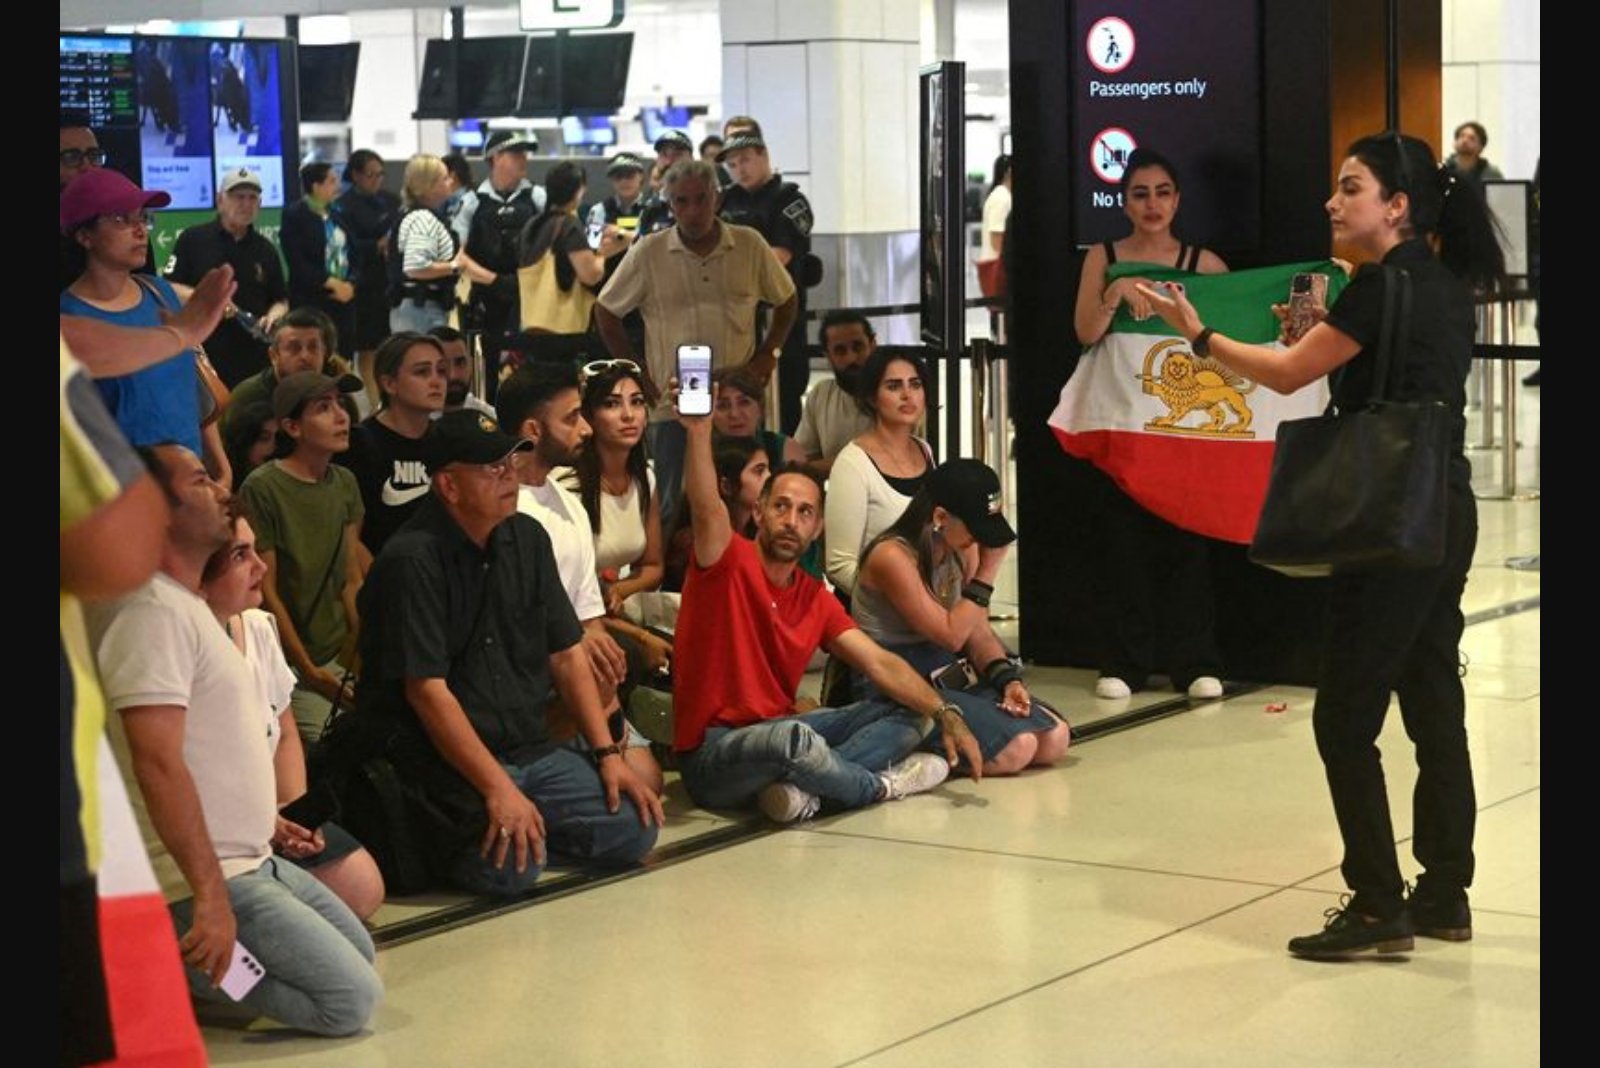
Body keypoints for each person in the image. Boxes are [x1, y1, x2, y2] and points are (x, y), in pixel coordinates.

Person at [1137, 131, 1504, 960]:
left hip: (1386, 519)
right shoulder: (1445, 288)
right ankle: (1445, 893)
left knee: (1343, 718)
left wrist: (1196, 332)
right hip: (1445, 505)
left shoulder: (1377, 289)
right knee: (1433, 701)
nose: (1333, 203)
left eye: (1351, 188)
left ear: (1397, 206)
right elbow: (1371, 367)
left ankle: (1378, 902)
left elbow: (1286, 373)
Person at [87, 444, 382, 1036]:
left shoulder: (188, 606)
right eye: (200, 480)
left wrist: (265, 820)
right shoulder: (150, 612)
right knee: (347, 1002)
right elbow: (157, 763)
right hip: (211, 877)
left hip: (254, 858)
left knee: (361, 956)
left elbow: (212, 753)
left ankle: (208, 966)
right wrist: (207, 897)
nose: (224, 488)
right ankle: (176, 962)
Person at [353, 410, 664, 895]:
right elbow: (427, 692)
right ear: (449, 486)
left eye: (508, 463)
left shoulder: (527, 538)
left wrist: (607, 754)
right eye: (489, 468)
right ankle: (479, 838)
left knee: (633, 826)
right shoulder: (412, 560)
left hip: (528, 746)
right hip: (446, 761)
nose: (508, 476)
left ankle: (527, 829)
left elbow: (566, 654)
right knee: (511, 872)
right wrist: (497, 787)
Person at [672, 385, 983, 823]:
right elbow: (706, 509)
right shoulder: (726, 560)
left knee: (912, 709)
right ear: (759, 513)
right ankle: (876, 786)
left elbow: (879, 663)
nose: (790, 521)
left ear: (818, 527)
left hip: (784, 729)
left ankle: (804, 789)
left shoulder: (812, 594)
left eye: (804, 513)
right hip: (715, 753)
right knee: (794, 741)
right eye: (780, 507)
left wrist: (945, 711)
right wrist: (699, 430)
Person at [1070, 148, 1229, 702]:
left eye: (1162, 191)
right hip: (1125, 429)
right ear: (1124, 201)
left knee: (1189, 550)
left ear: (1178, 198)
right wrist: (1116, 293)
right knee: (1124, 550)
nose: (1152, 203)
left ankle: (1196, 661)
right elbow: (1086, 332)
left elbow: (1231, 341)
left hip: (1183, 432)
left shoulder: (1203, 264)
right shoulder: (1104, 256)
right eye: (1140, 193)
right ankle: (1124, 662)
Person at [200, 507, 386, 920]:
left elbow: (284, 731)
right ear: (199, 574)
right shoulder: (184, 649)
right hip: (220, 833)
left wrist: (293, 810)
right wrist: (265, 821)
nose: (261, 565)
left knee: (363, 889)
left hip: (271, 814)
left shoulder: (258, 627)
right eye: (240, 555)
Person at [594, 158, 798, 527]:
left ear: (717, 200)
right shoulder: (648, 252)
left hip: (734, 404)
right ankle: (677, 582)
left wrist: (770, 353)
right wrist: (637, 373)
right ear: (669, 205)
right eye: (681, 201)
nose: (692, 210)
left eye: (701, 199)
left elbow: (787, 299)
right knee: (673, 505)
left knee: (747, 501)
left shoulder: (748, 245)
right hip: (672, 406)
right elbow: (606, 311)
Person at [497, 364, 666, 791]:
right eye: (573, 418)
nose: (587, 429)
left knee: (648, 782)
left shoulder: (568, 505)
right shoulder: (502, 504)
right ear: (534, 428)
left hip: (576, 672)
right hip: (526, 672)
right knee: (630, 809)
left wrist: (603, 667)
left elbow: (590, 617)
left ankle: (589, 744)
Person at [853, 460, 1071, 776]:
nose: (981, 540)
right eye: (976, 528)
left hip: (945, 670)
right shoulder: (893, 557)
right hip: (895, 679)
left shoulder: (960, 547)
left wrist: (1007, 680)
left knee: (1055, 738)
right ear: (940, 517)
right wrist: (988, 569)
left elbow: (976, 630)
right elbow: (951, 635)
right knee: (1017, 749)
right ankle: (914, 753)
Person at [60, 167, 232, 487]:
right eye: (121, 219)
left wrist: (221, 468)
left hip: (194, 488)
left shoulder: (159, 293)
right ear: (85, 236)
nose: (140, 230)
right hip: (128, 495)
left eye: (142, 218)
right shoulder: (69, 318)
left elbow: (190, 385)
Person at [238, 371, 367, 743]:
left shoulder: (344, 483)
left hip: (338, 655)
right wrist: (308, 669)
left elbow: (350, 578)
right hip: (289, 663)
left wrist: (367, 650)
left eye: (340, 404)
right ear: (292, 427)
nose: (341, 416)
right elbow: (267, 589)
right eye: (323, 408)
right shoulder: (263, 487)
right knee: (337, 743)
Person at [559, 361, 669, 641]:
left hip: (619, 609)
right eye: (611, 404)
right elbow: (563, 593)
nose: (628, 415)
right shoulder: (567, 484)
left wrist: (619, 590)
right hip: (574, 620)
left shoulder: (646, 478)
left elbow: (653, 566)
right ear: (590, 417)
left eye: (637, 402)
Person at [718, 131, 817, 431]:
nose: (740, 169)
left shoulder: (789, 200)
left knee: (784, 404)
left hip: (780, 321)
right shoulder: (725, 201)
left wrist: (727, 268)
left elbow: (779, 257)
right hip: (735, 321)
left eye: (746, 160)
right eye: (733, 165)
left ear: (764, 156)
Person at [825, 348, 935, 598]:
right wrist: (897, 605)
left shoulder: (924, 450)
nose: (908, 395)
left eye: (915, 384)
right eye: (894, 386)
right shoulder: (852, 463)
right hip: (872, 617)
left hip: (925, 606)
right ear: (872, 398)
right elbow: (839, 565)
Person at [165, 167, 289, 387]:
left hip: (254, 359)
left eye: (252, 198)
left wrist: (273, 316)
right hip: (204, 355)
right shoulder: (193, 240)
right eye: (238, 197)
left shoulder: (266, 249)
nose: (246, 204)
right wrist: (207, 299)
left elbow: (280, 299)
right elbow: (168, 287)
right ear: (220, 200)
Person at [340, 332, 448, 554]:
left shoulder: (448, 441)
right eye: (422, 372)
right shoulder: (359, 444)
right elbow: (349, 538)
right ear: (389, 383)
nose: (436, 381)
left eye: (442, 371)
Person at [514, 160, 629, 363]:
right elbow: (591, 275)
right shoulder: (568, 225)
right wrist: (603, 254)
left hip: (530, 327)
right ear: (578, 190)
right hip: (563, 334)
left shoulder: (531, 225)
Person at [464, 132, 545, 380]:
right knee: (486, 375)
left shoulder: (538, 198)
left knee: (531, 374)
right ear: (495, 157)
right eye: (515, 154)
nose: (523, 159)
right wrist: (494, 281)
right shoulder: (472, 202)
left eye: (525, 154)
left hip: (531, 302)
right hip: (487, 303)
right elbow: (455, 254)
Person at [334, 149, 401, 385]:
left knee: (390, 343)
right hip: (363, 284)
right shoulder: (343, 206)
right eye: (371, 175)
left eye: (380, 174)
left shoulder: (391, 201)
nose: (377, 180)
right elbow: (346, 246)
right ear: (356, 175)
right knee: (367, 346)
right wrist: (376, 245)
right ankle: (371, 397)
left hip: (389, 280)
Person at [280, 162, 356, 359]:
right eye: (331, 181)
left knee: (343, 358)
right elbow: (297, 261)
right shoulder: (295, 215)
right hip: (312, 299)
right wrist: (329, 282)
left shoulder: (338, 214)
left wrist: (351, 284)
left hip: (343, 300)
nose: (337, 186)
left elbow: (354, 252)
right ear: (315, 186)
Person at [389, 153, 471, 335]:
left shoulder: (421, 215)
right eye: (444, 178)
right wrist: (455, 266)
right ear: (428, 186)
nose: (450, 181)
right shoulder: (422, 219)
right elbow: (415, 267)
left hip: (419, 310)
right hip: (421, 312)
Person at [796, 309, 878, 478]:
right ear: (827, 356)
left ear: (873, 345)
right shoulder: (821, 395)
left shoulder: (896, 394)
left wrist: (818, 468)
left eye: (858, 347)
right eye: (840, 351)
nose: (851, 358)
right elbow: (801, 463)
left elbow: (883, 461)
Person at [711, 365, 806, 470]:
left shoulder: (784, 449)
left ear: (760, 408)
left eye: (744, 402)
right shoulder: (699, 452)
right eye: (723, 406)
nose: (734, 414)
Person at [634, 130, 696, 236]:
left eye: (677, 154)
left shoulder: (705, 200)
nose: (669, 162)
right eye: (664, 154)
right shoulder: (650, 207)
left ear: (691, 159)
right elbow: (640, 247)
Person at [431, 324, 496, 416]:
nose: (453, 375)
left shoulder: (490, 419)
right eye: (442, 367)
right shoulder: (411, 421)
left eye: (460, 363)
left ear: (470, 363)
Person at [1443, 121, 1505, 192]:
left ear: (1481, 147)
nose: (1465, 141)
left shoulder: (1491, 174)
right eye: (1462, 136)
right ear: (1455, 142)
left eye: (1471, 138)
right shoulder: (1443, 171)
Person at [440, 151, 479, 247]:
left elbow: (461, 242)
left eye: (441, 177)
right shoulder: (446, 203)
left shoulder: (469, 203)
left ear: (452, 176)